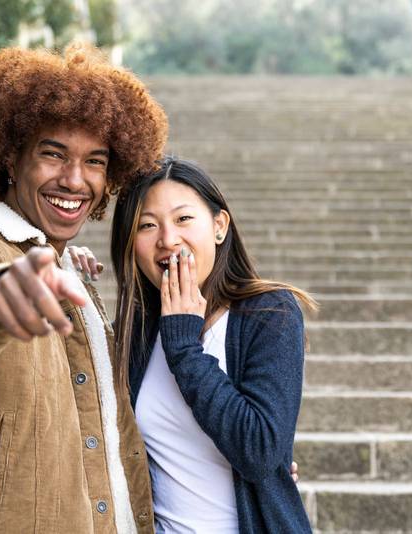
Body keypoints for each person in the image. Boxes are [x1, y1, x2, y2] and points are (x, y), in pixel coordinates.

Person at [0, 43, 168, 533]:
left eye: (95, 161)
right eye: (53, 154)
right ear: (10, 157)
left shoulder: (64, 264)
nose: (75, 180)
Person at [107, 157, 317, 533]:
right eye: (147, 225)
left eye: (183, 219)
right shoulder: (134, 334)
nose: (167, 239)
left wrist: (185, 347)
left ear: (219, 226)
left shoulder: (270, 314)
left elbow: (259, 452)